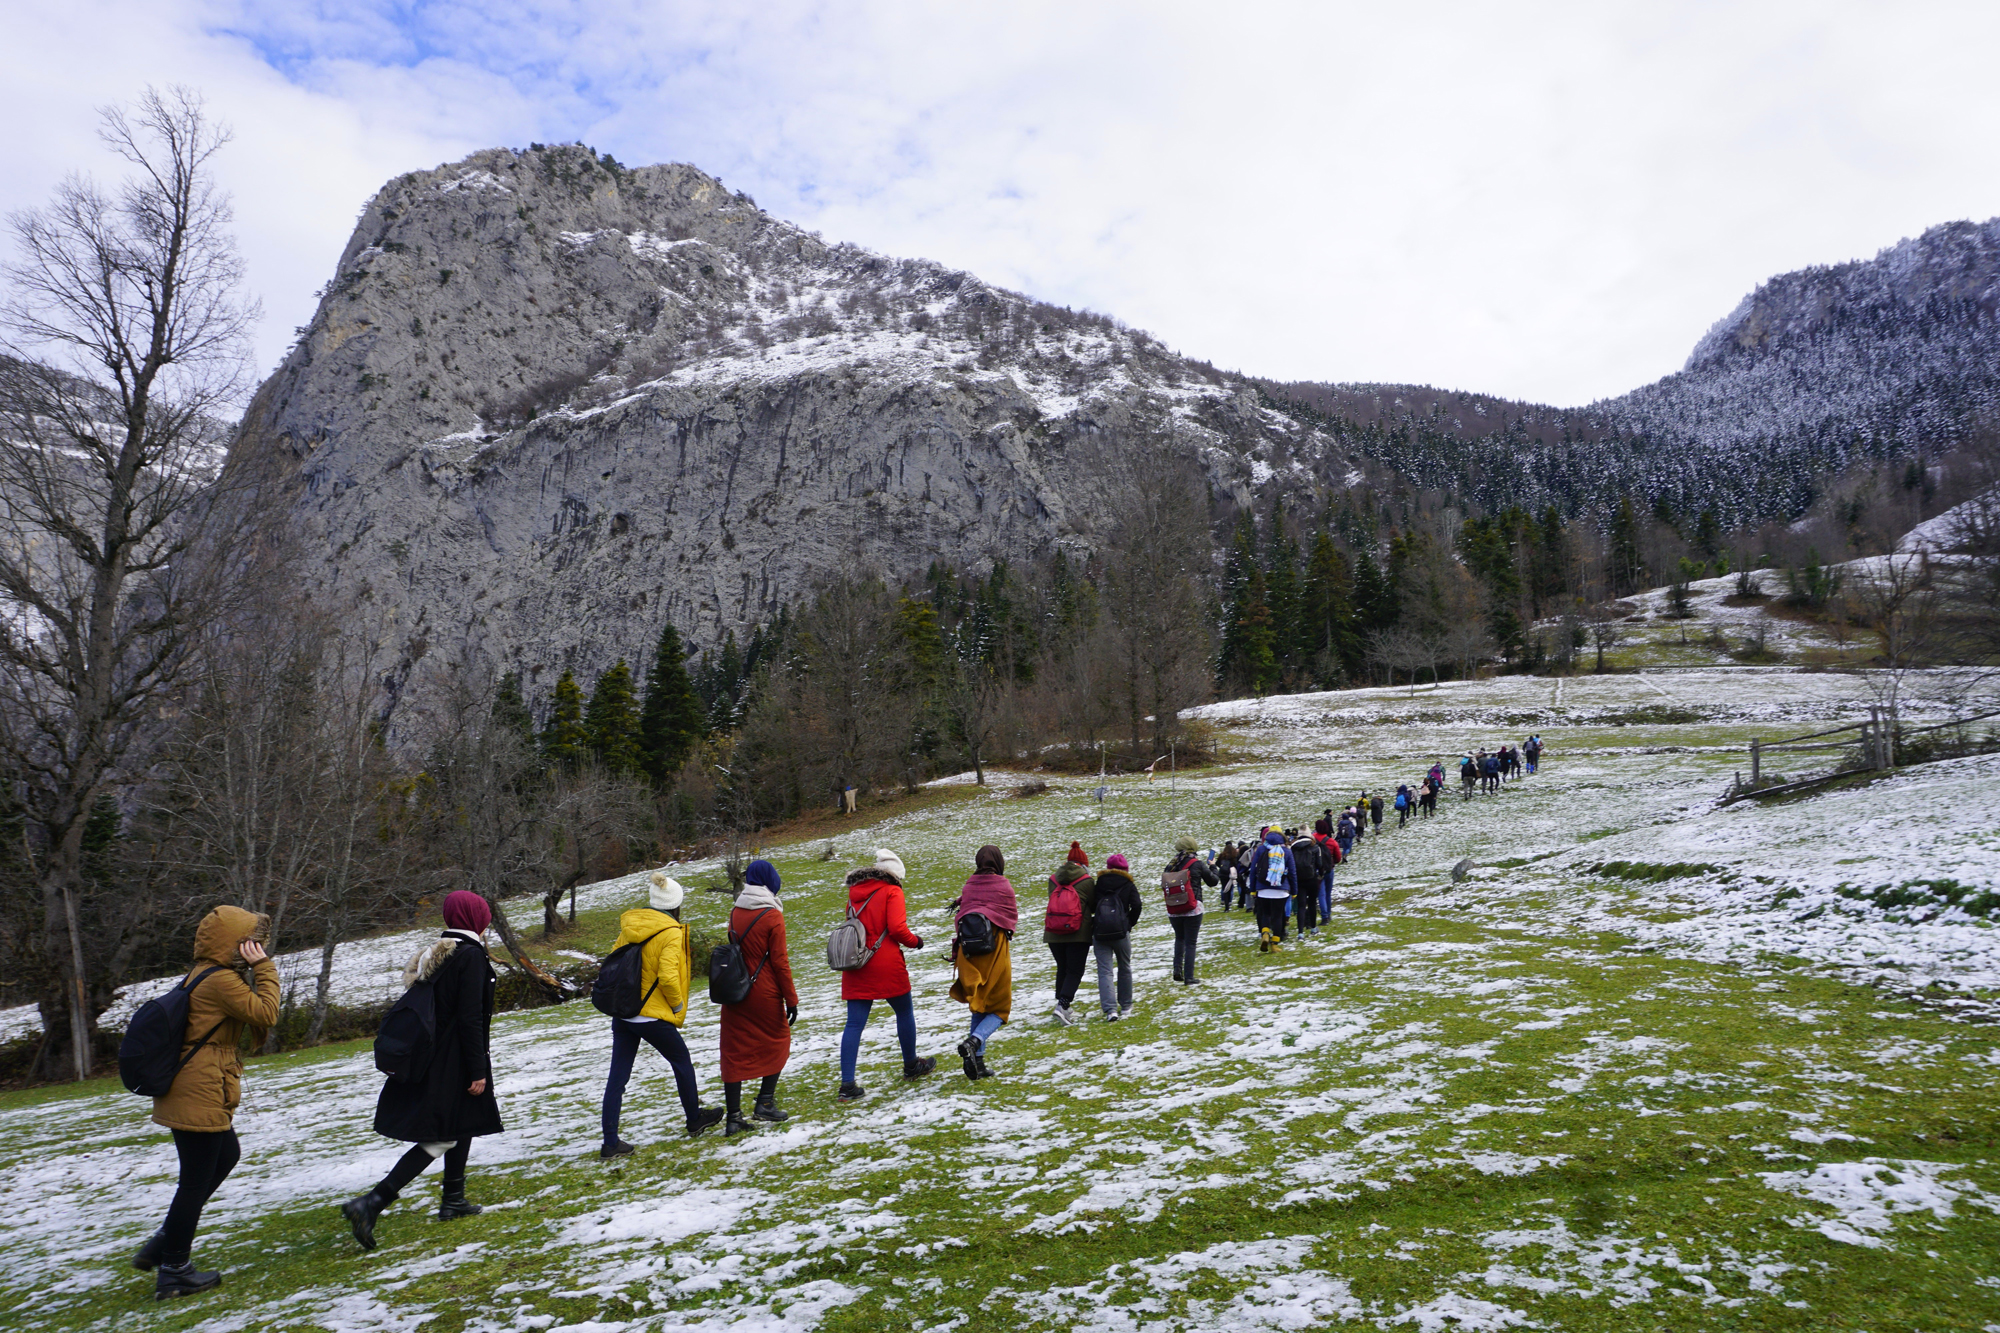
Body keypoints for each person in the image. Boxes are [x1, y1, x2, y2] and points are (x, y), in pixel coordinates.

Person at [344, 891, 511, 1251]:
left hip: (435, 1057)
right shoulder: (470, 957)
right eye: (483, 914)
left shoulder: (440, 954)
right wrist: (478, 1068)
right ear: (474, 918)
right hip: (453, 1060)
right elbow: (470, 1019)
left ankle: (453, 1199)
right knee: (442, 1137)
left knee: (461, 1120)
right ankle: (372, 1202)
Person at [137, 905, 279, 1299]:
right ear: (234, 943)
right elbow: (267, 1013)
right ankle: (174, 1269)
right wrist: (264, 968)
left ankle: (165, 1244)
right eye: (251, 940)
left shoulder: (205, 973)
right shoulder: (219, 980)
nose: (257, 946)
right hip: (198, 1086)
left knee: (225, 1156)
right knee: (194, 1180)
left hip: (196, 1083)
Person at [592, 874, 721, 1156]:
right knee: (682, 1062)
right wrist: (676, 1007)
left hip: (625, 1013)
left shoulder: (630, 926)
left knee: (618, 1077)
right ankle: (694, 1119)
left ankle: (610, 1142)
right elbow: (667, 977)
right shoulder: (672, 932)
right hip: (652, 1017)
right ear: (676, 905)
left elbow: (612, 962)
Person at [838, 848, 936, 1101]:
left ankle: (847, 1085)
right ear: (895, 876)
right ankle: (911, 1064)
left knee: (854, 1024)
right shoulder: (892, 891)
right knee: (904, 1011)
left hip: (856, 963)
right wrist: (916, 942)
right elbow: (897, 928)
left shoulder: (854, 892)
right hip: (885, 963)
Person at [720, 859, 797, 1135]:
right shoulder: (772, 915)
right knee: (778, 1038)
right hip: (763, 990)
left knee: (733, 1049)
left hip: (734, 988)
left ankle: (733, 1117)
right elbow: (780, 962)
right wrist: (792, 999)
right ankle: (765, 1102)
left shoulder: (735, 911)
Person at [950, 845, 1016, 1078]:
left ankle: (977, 1065)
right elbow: (1010, 919)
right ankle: (975, 1042)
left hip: (968, 952)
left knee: (979, 1003)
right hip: (995, 949)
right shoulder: (1003, 885)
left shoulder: (969, 885)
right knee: (1001, 1008)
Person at [1043, 844, 1098, 1022]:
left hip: (1054, 933)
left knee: (1063, 967)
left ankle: (1062, 1005)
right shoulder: (1087, 881)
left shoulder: (1053, 879)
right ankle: (1063, 1005)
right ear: (1083, 864)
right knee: (1075, 970)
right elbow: (1094, 905)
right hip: (1077, 933)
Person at [1091, 853, 1144, 1019]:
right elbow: (1137, 905)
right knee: (1124, 967)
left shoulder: (1099, 883)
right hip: (1121, 932)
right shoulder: (1128, 884)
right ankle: (1126, 1005)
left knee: (1105, 971)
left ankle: (1110, 1010)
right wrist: (1128, 924)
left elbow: (1092, 906)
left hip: (1100, 933)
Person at [1162, 834, 1216, 983]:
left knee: (1179, 938)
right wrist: (1213, 866)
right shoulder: (1197, 864)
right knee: (1190, 942)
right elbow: (1213, 881)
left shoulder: (1171, 864)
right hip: (1193, 908)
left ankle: (1177, 969)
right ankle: (1189, 977)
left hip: (1174, 908)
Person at [1246, 829, 1296, 950]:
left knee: (1265, 914)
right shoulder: (1286, 851)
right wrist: (1294, 890)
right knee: (1278, 916)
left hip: (1263, 889)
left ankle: (1265, 934)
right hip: (1281, 889)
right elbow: (1293, 873)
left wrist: (1253, 889)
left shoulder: (1261, 849)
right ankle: (1274, 944)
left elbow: (1253, 870)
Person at [1289, 831, 1323, 933]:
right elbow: (1320, 864)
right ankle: (1313, 927)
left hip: (1299, 880)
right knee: (1312, 903)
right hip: (1312, 878)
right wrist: (1320, 875)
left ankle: (1300, 932)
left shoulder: (1293, 848)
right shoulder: (1315, 847)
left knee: (1301, 905)